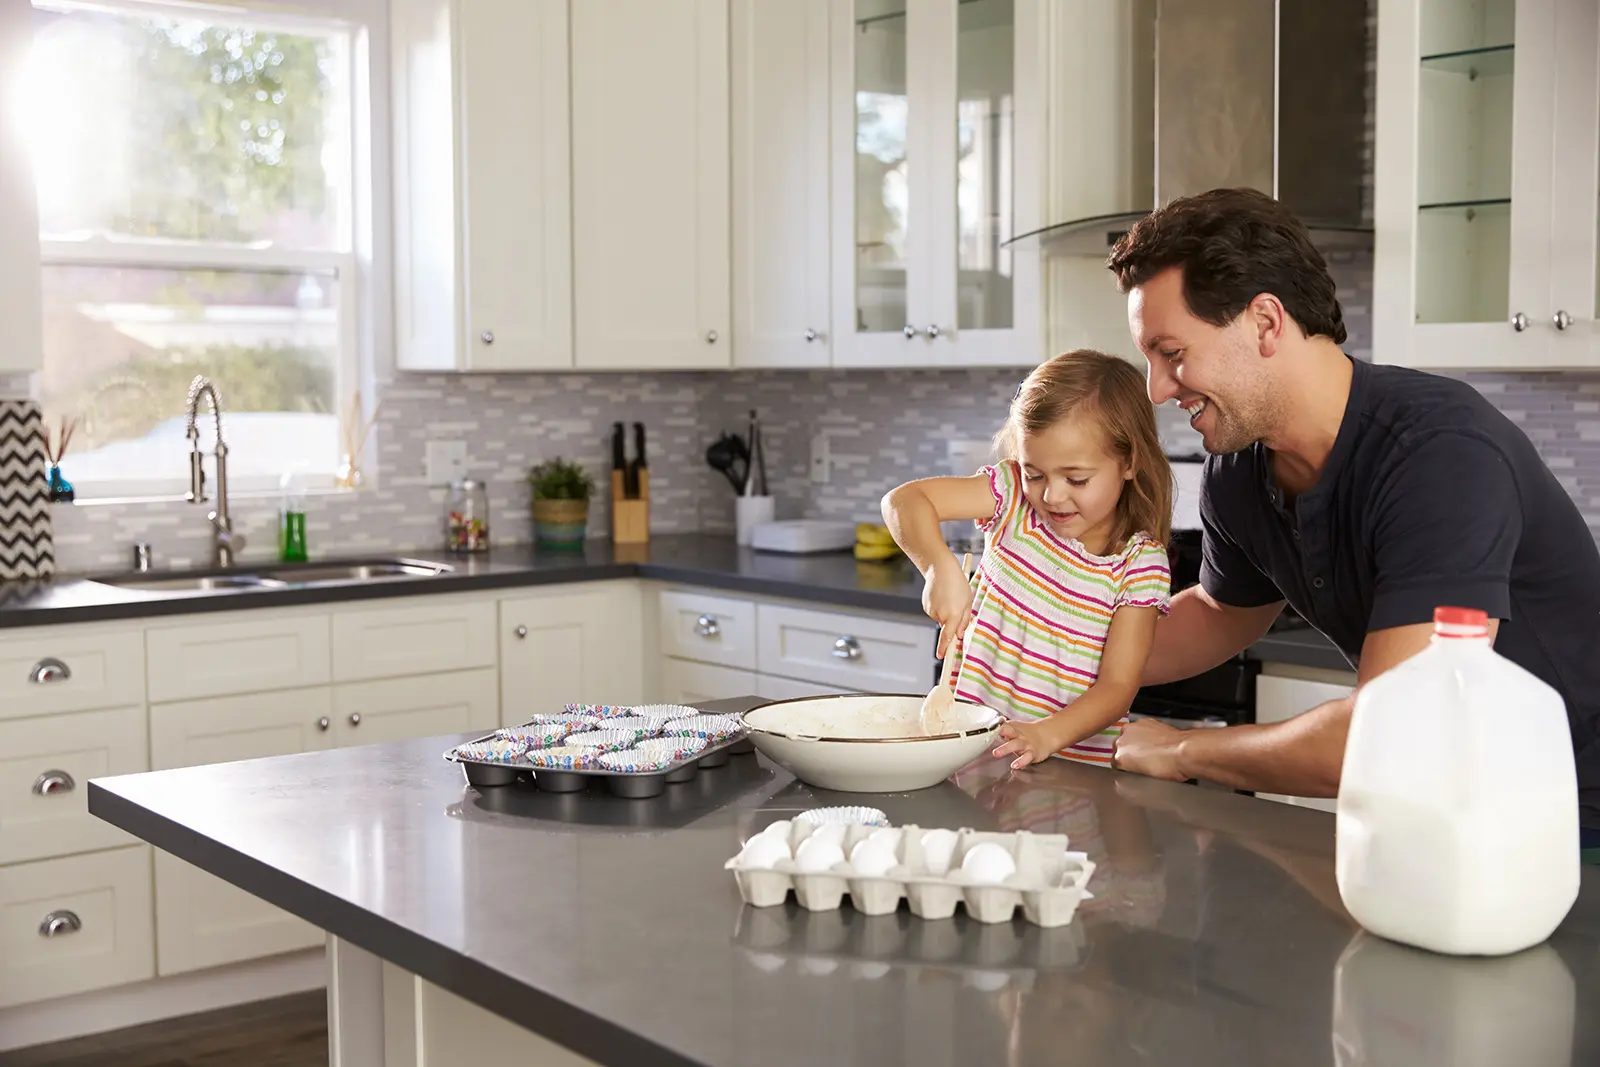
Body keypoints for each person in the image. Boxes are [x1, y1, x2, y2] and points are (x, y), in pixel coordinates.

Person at [1103, 187, 1600, 842]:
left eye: (1171, 353)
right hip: (1445, 809)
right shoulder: (1240, 471)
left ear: (1265, 323)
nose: (1157, 389)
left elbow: (1395, 731)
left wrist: (1180, 749)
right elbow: (1224, 612)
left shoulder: (1440, 453)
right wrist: (1038, 640)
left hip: (1572, 818)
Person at [881, 350, 1174, 768]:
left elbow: (1117, 688)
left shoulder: (1139, 564)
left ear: (1129, 462)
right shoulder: (1015, 499)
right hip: (974, 756)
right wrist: (937, 566)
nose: (1051, 495)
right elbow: (904, 500)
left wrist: (1045, 735)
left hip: (1070, 775)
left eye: (1076, 479)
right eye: (1036, 473)